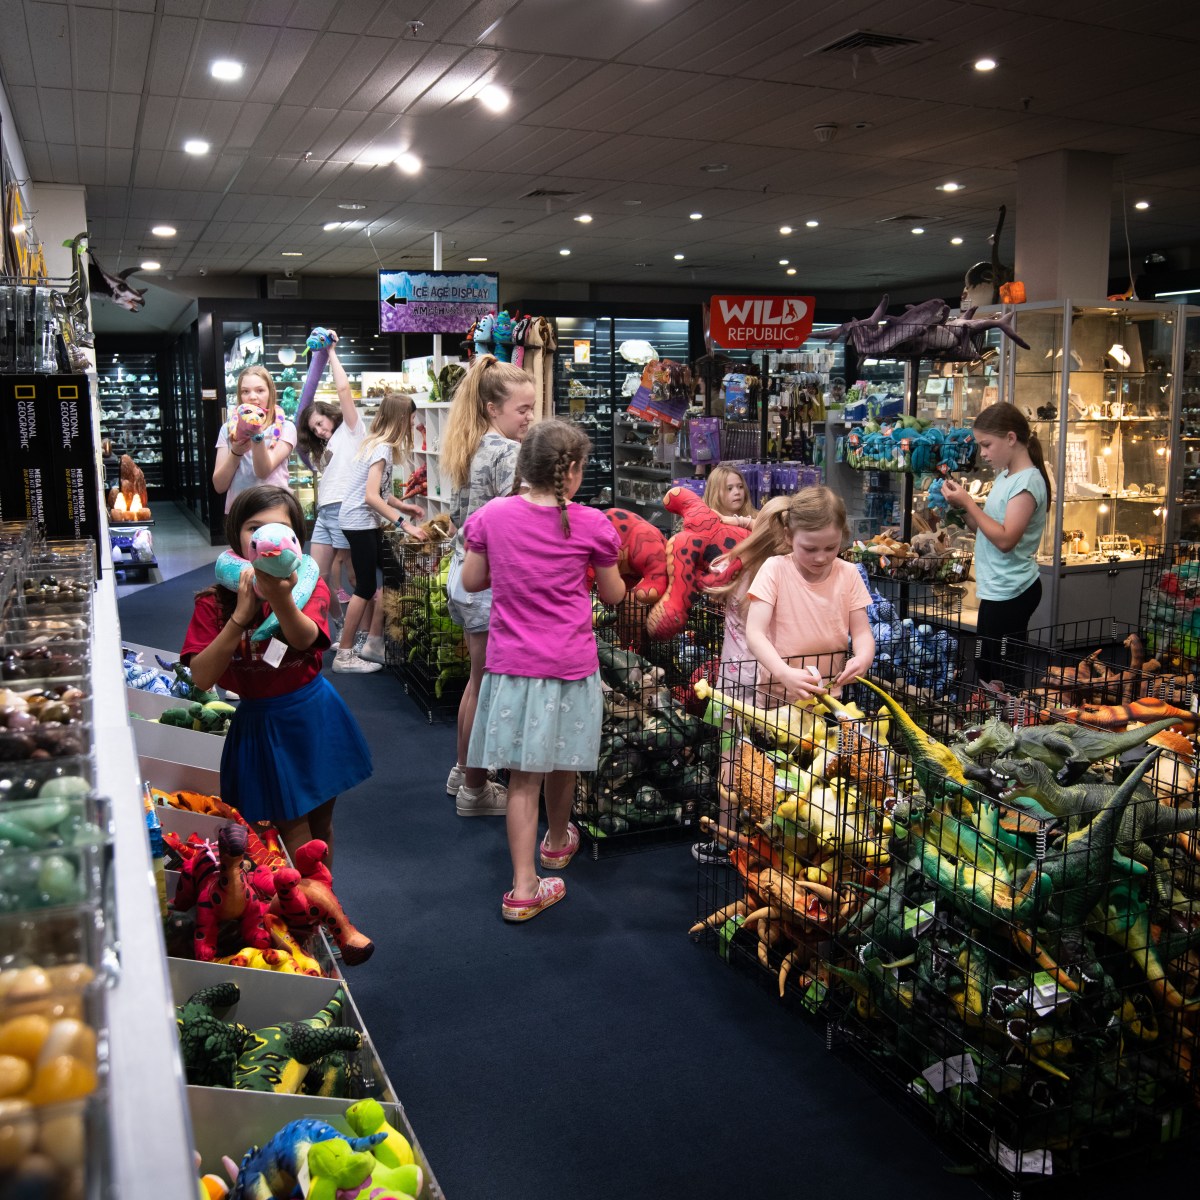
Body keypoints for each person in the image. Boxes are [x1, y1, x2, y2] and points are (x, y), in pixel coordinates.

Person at [460, 419, 625, 921]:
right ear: (571, 470)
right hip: (570, 665)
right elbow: (614, 595)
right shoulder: (592, 523)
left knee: (522, 778)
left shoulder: (492, 515)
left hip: (511, 665)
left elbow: (472, 581)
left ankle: (524, 884)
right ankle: (555, 843)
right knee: (563, 760)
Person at [181, 485, 371, 865]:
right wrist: (240, 616)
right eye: (254, 527)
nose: (266, 538)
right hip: (261, 725)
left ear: (295, 539)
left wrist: (282, 599)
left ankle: (322, 895)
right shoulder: (213, 600)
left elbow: (304, 639)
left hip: (313, 714)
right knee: (290, 830)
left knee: (321, 825)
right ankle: (300, 898)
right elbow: (200, 677)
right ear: (236, 533)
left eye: (279, 528)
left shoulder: (308, 582)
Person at [441, 355, 535, 815]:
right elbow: (519, 523)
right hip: (488, 582)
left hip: (463, 574)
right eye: (523, 409)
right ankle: (476, 791)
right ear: (493, 408)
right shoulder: (509, 454)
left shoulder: (469, 445)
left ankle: (464, 771)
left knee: (476, 684)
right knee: (489, 689)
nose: (530, 417)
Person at [693, 495, 793, 865]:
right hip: (776, 681)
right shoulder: (787, 575)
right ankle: (775, 845)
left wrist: (737, 524)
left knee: (731, 761)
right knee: (778, 763)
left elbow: (718, 562)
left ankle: (726, 840)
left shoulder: (736, 567)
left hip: (733, 684)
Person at [941, 402, 1050, 688]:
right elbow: (986, 530)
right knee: (986, 665)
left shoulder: (1027, 483)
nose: (983, 453)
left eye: (987, 444)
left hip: (1012, 590)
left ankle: (1008, 716)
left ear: (1011, 438)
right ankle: (993, 713)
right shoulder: (1005, 476)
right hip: (998, 588)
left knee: (1003, 673)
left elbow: (1005, 540)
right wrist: (960, 508)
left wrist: (968, 503)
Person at [744, 486, 875, 703]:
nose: (821, 558)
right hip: (777, 698)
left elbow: (862, 632)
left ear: (842, 535)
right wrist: (784, 673)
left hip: (829, 698)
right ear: (788, 536)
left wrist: (863, 658)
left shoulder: (849, 573)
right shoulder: (775, 570)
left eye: (831, 547)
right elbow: (754, 634)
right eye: (810, 549)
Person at [335, 392, 427, 674]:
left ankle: (374, 642)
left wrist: (404, 506)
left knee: (394, 576)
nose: (413, 424)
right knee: (364, 586)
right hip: (359, 521)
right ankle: (344, 654)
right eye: (411, 418)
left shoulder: (376, 444)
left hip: (363, 521)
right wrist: (405, 524)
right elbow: (371, 497)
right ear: (401, 418)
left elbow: (380, 492)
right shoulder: (382, 448)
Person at [295, 334, 363, 643]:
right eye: (315, 429)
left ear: (330, 414)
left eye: (321, 422)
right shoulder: (322, 450)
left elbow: (344, 390)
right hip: (326, 513)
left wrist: (331, 352)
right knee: (318, 577)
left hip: (346, 509)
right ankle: (341, 626)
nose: (321, 430)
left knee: (355, 576)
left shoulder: (350, 429)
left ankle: (364, 634)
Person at [212, 365, 297, 511]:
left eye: (260, 390)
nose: (252, 397)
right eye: (245, 391)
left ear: (271, 392)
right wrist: (236, 452)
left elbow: (263, 471)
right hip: (240, 512)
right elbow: (219, 486)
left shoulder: (285, 428)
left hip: (274, 510)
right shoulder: (228, 429)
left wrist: (256, 433)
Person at [703, 463, 757, 529]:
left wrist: (744, 522)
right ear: (715, 493)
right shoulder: (706, 523)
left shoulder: (759, 517)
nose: (737, 492)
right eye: (729, 488)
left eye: (740, 487)